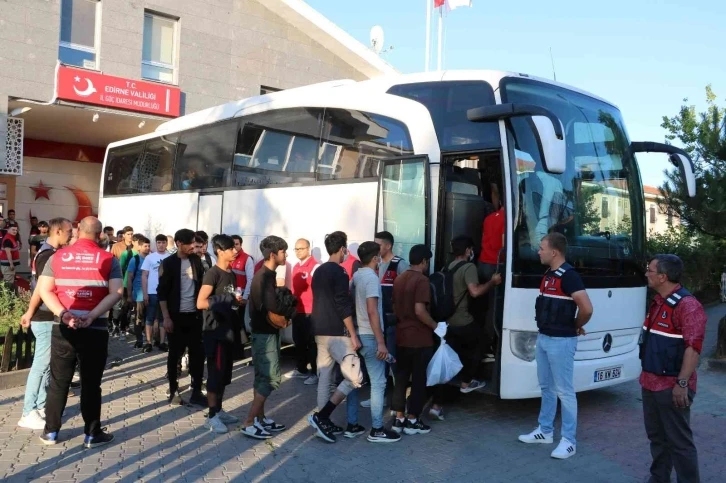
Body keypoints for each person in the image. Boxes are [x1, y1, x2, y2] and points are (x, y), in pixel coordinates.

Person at [37, 216, 123, 448]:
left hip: (64, 328)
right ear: (100, 235)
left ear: (77, 231)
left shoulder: (57, 257)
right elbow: (117, 292)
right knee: (91, 383)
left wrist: (64, 314)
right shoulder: (109, 259)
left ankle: (51, 432)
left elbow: (45, 290)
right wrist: (93, 315)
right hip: (95, 328)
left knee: (58, 382)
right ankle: (92, 434)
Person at [518, 233, 593, 460]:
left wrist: (576, 326)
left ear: (554, 252)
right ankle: (545, 431)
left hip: (561, 341)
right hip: (544, 337)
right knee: (547, 387)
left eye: (541, 248)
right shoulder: (549, 274)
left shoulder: (569, 276)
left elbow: (587, 309)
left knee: (565, 391)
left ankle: (569, 441)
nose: (538, 251)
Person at [641, 254, 706, 482]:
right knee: (657, 439)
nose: (646, 273)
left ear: (662, 276)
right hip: (650, 383)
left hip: (671, 387)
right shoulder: (658, 301)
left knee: (679, 443)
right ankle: (658, 479)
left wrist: (682, 384)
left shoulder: (688, 306)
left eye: (650, 270)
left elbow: (693, 348)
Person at [17, 218, 73, 430]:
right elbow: (42, 288)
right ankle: (28, 411)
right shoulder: (48, 255)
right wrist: (30, 312)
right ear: (58, 231)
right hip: (44, 317)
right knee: (40, 366)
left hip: (48, 317)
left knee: (47, 366)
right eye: (69, 231)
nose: (71, 235)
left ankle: (40, 407)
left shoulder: (49, 253)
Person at [308, 231, 364, 444]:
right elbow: (343, 305)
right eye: (345, 249)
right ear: (342, 249)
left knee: (325, 378)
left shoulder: (318, 270)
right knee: (355, 377)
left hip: (319, 331)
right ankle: (321, 417)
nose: (346, 253)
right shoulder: (340, 272)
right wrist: (352, 333)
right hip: (337, 334)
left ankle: (322, 422)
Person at [347, 241, 401, 443]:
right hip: (370, 336)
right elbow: (372, 311)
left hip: (358, 335)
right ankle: (377, 429)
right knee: (378, 383)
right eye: (379, 256)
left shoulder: (357, 276)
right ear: (375, 258)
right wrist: (381, 342)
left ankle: (352, 425)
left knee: (354, 381)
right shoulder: (370, 278)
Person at [392, 244, 443, 434]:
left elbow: (395, 307)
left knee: (401, 378)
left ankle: (399, 418)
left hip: (401, 336)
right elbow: (420, 310)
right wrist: (436, 326)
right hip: (419, 338)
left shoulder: (399, 279)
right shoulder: (422, 281)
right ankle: (413, 419)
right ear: (424, 261)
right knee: (419, 379)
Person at [243, 235, 290, 439]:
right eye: (283, 251)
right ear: (273, 254)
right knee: (271, 379)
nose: (286, 254)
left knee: (261, 377)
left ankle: (260, 419)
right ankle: (249, 422)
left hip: (265, 333)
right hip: (265, 334)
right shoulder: (264, 276)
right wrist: (291, 307)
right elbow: (274, 306)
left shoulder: (267, 274)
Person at [196, 235, 242, 434]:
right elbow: (201, 302)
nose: (235, 251)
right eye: (231, 248)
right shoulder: (212, 274)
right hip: (214, 332)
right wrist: (226, 298)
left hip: (229, 331)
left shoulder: (230, 273)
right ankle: (211, 416)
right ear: (220, 251)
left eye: (235, 248)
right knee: (215, 374)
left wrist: (236, 301)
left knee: (224, 375)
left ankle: (219, 410)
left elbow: (230, 300)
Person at [445, 235, 501, 393]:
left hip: (448, 320)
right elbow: (475, 292)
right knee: (482, 341)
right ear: (467, 250)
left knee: (460, 348)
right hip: (462, 320)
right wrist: (492, 282)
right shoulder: (468, 267)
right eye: (471, 249)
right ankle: (466, 382)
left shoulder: (449, 266)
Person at [157, 229, 207, 407]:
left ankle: (196, 391)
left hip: (194, 317)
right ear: (178, 243)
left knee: (197, 355)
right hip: (175, 317)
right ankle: (173, 389)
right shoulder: (168, 263)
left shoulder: (196, 261)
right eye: (190, 243)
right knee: (175, 355)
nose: (193, 246)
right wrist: (166, 318)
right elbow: (161, 293)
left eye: (195, 243)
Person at [289, 238, 320, 385]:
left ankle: (315, 372)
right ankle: (301, 369)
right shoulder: (295, 266)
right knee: (298, 341)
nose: (298, 252)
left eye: (301, 249)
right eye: (296, 249)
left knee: (311, 343)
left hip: (311, 311)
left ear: (308, 249)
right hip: (298, 310)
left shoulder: (315, 266)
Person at [141, 235, 172, 352]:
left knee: (163, 317)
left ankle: (163, 342)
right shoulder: (150, 258)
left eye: (163, 242)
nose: (161, 245)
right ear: (156, 243)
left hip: (165, 293)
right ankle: (148, 342)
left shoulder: (170, 257)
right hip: (152, 292)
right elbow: (144, 276)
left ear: (166, 244)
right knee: (150, 317)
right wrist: (145, 293)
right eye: (159, 243)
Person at [127, 236, 151, 349]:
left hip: (151, 293)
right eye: (145, 246)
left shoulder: (151, 259)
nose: (147, 248)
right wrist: (129, 294)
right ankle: (139, 340)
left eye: (149, 246)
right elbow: (129, 277)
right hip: (139, 294)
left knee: (149, 317)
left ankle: (148, 340)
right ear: (139, 247)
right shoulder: (135, 260)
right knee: (139, 318)